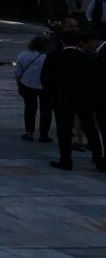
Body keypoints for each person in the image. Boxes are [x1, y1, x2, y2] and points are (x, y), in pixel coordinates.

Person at [43, 30, 103, 170]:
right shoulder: (88, 57)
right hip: (85, 99)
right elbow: (97, 78)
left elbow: (45, 79)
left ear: (62, 42)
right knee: (91, 129)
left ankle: (66, 160)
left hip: (62, 99)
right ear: (79, 42)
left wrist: (52, 94)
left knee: (64, 130)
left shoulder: (54, 57)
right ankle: (99, 160)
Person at [15, 34, 51, 142]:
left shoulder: (23, 55)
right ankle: (44, 134)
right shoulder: (49, 57)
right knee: (46, 111)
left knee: (30, 108)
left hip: (27, 84)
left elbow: (18, 73)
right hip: (46, 86)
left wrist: (18, 86)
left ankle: (29, 132)